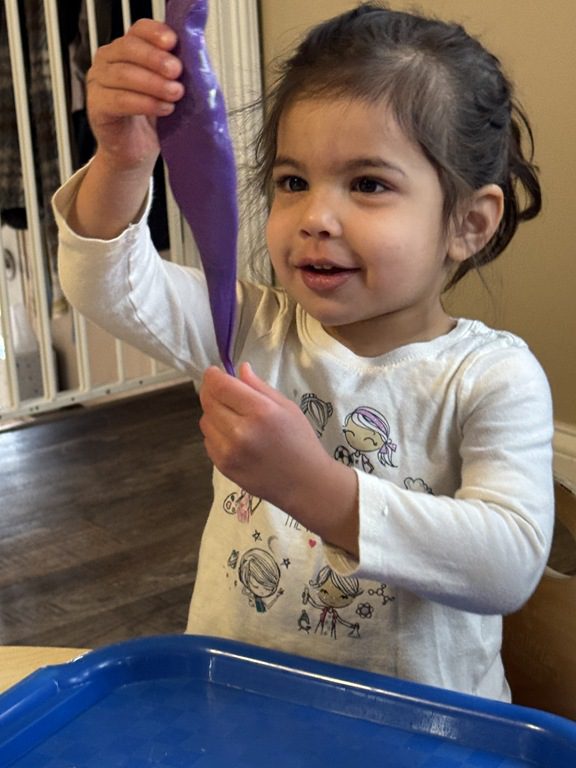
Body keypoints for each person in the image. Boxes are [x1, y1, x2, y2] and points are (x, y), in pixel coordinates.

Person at [53, 4, 554, 701]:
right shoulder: (245, 326)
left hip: (417, 729)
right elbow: (106, 284)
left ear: (468, 223)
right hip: (242, 703)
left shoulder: (491, 376)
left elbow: (507, 566)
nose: (315, 217)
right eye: (293, 182)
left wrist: (310, 486)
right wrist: (123, 160)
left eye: (368, 184)